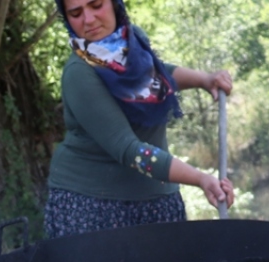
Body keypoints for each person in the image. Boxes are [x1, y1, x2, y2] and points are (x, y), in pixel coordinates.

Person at [45, 0, 236, 239]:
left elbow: (155, 74)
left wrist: (204, 80)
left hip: (158, 199)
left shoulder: (132, 39)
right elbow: (129, 150)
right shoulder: (79, 74)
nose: (89, 19)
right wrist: (200, 179)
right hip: (92, 206)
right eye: (76, 13)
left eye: (96, 5)